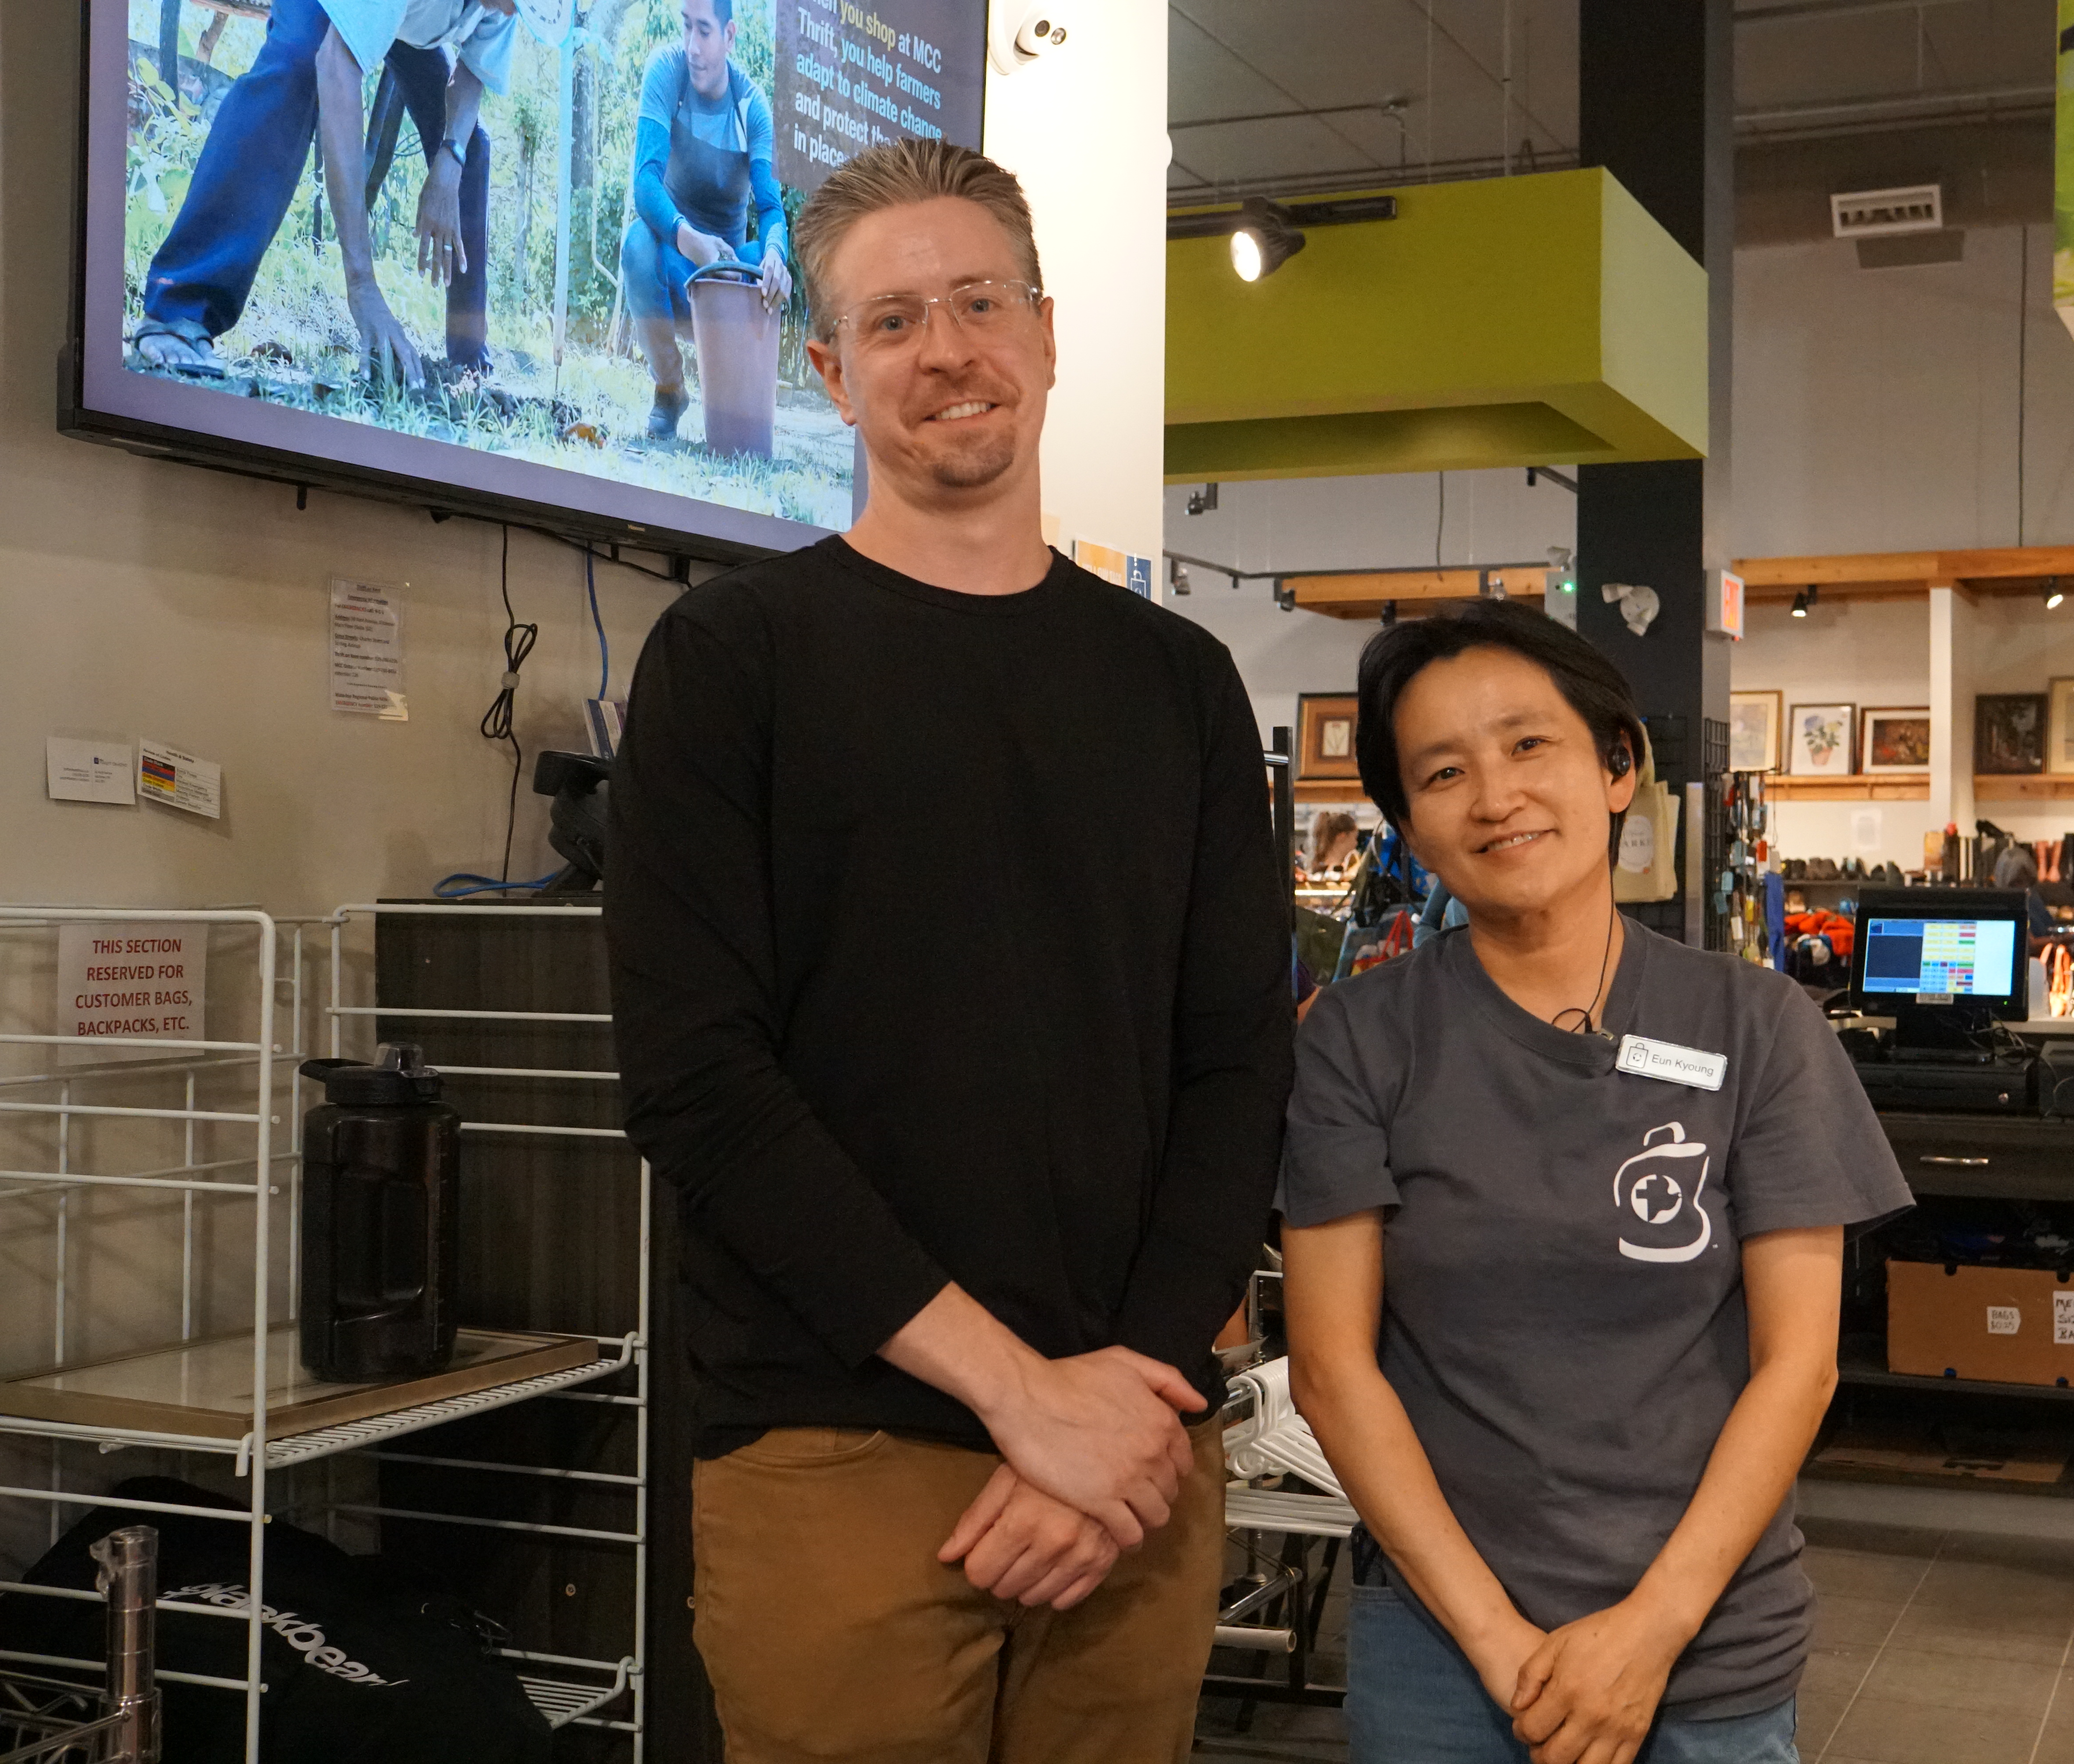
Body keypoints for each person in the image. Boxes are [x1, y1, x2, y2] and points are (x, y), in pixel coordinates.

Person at [603, 138, 1293, 1764]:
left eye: (979, 301)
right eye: (895, 320)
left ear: (1047, 334)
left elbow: (1237, 1059)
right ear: (832, 374)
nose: (948, 352)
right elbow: (700, 1084)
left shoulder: (1179, 684)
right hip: (840, 1446)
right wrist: (1020, 1395)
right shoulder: (730, 662)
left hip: (1135, 1451)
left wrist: (1123, 1393)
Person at [1282, 602, 1911, 1764]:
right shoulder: (1359, 1041)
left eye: (1531, 745)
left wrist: (1646, 1636)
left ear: (1617, 767)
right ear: (1412, 829)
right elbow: (1330, 1369)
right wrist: (1500, 1645)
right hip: (1442, 1648)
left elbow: (1799, 1365)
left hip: (1707, 1640)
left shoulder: (1755, 1026)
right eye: (1443, 772)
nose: (1497, 796)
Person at [134, 0, 522, 388]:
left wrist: (450, 161)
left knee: (468, 147)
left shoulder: (514, 7)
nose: (510, 14)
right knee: (299, 64)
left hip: (401, 15)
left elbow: (473, 69)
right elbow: (336, 68)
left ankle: (469, 364)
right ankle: (178, 312)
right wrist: (362, 286)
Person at [624, 0, 793, 440]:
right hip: (675, 261)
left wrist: (776, 254)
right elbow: (645, 182)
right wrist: (688, 238)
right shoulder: (667, 71)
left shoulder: (752, 106)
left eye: (704, 31)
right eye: (686, 29)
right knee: (636, 245)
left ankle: (737, 402)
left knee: (767, 263)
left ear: (730, 36)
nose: (692, 46)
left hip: (728, 282)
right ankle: (670, 390)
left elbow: (772, 211)